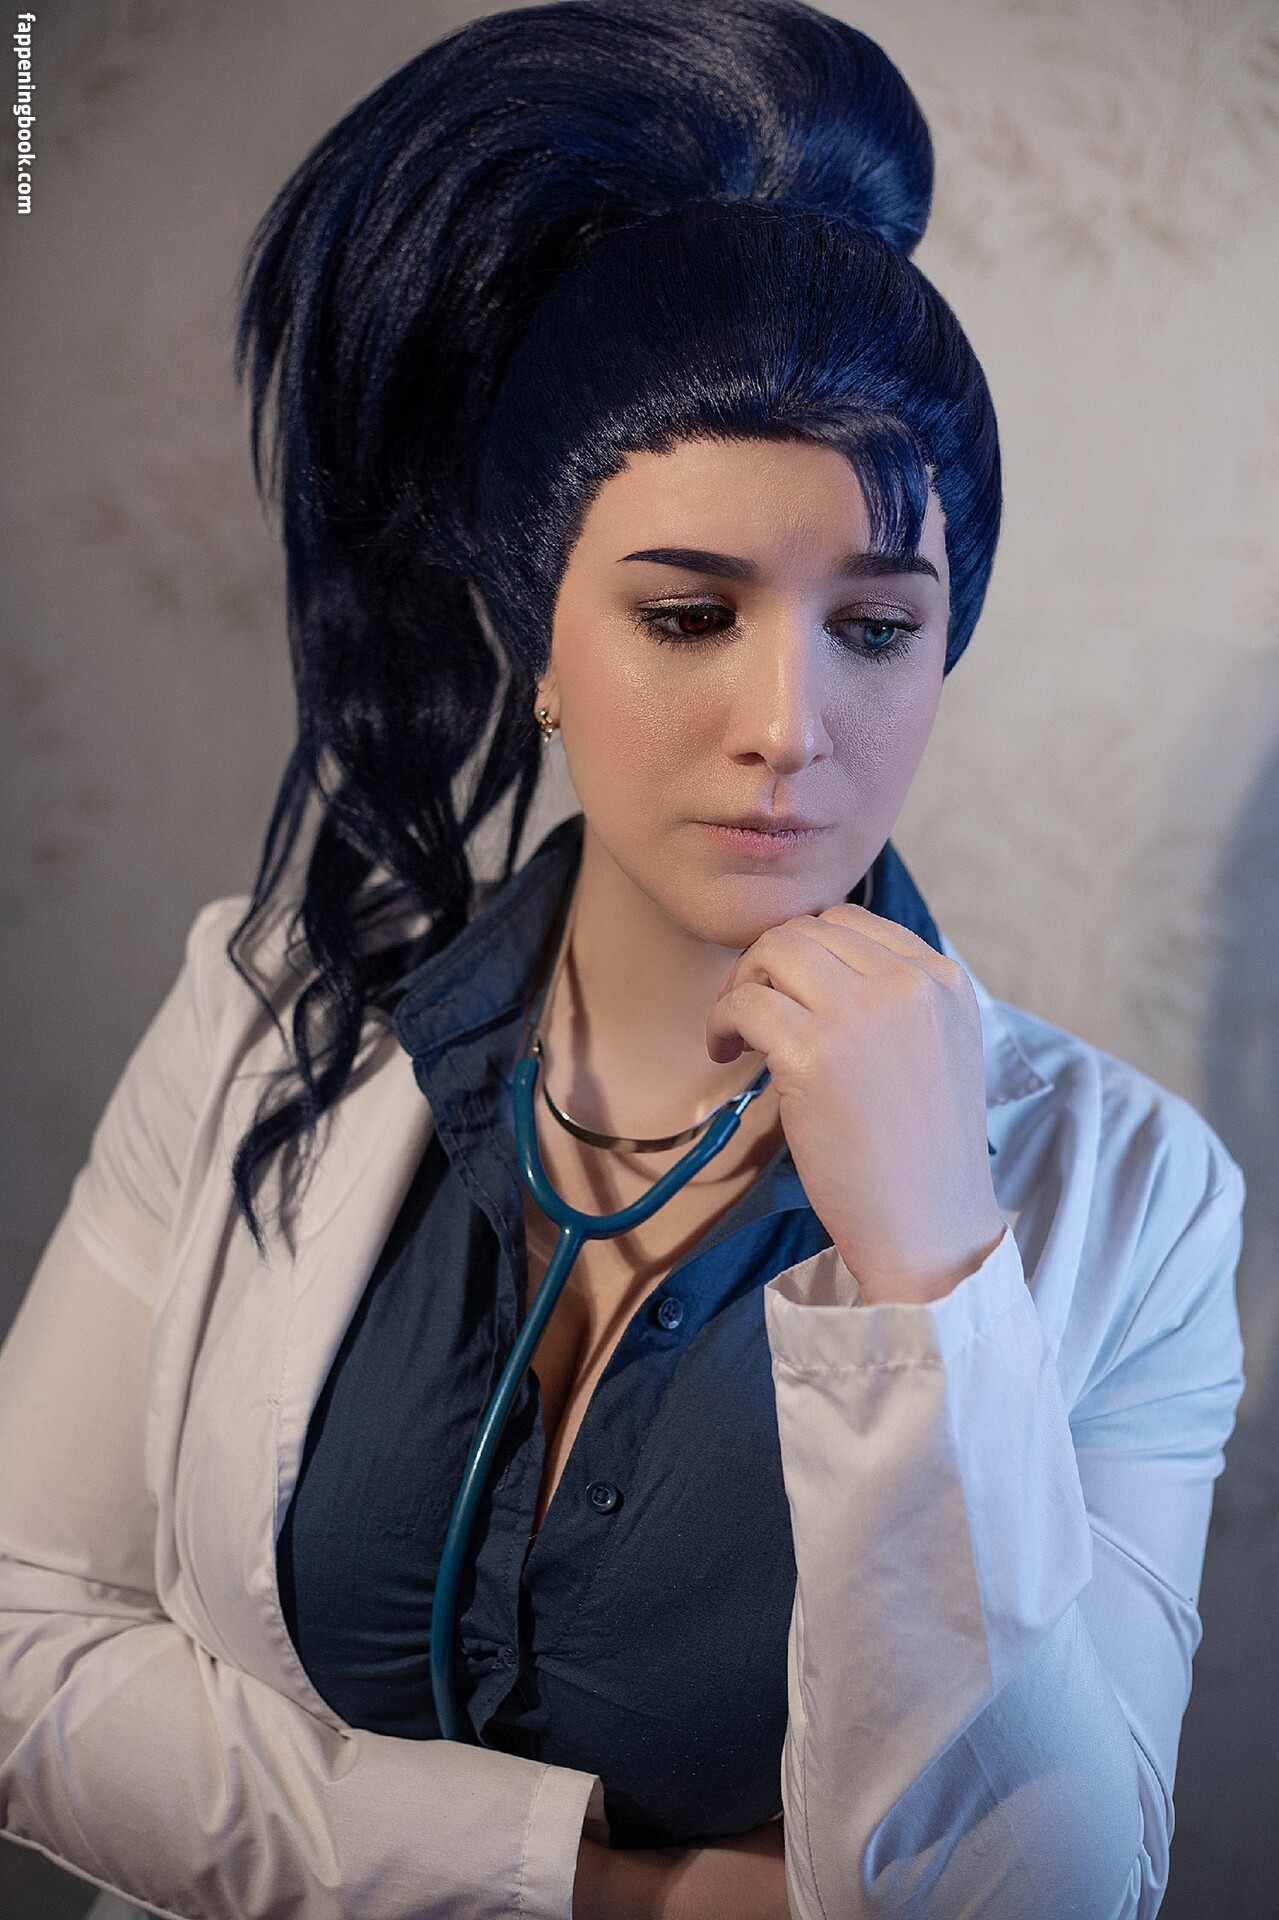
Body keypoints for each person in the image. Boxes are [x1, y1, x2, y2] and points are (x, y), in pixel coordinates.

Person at [0, 2, 1246, 1917]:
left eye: (876, 627)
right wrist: (606, 1892)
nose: (788, 728)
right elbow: (23, 1647)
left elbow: (1051, 1893)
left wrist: (932, 1274)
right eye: (686, 616)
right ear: (539, 636)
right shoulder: (270, 1012)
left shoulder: (1137, 1198)